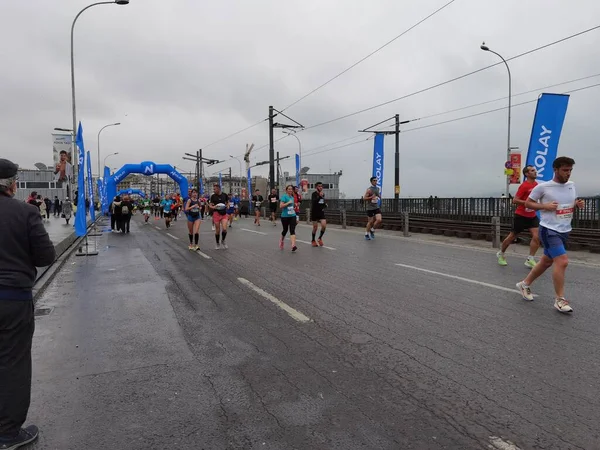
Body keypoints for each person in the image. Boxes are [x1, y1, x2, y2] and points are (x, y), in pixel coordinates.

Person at [0, 159, 55, 449]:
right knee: (13, 363)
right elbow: (46, 257)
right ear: (12, 185)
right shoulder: (25, 212)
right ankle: (8, 433)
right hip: (11, 300)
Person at [516, 157, 585, 313]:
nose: (568, 173)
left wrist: (577, 204)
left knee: (546, 262)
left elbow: (568, 204)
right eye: (565, 170)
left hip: (565, 230)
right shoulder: (543, 187)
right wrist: (544, 206)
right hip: (549, 230)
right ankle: (560, 299)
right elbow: (528, 203)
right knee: (562, 261)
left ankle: (524, 284)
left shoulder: (571, 186)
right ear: (555, 170)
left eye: (570, 170)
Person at [497, 165, 540, 268]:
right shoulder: (524, 186)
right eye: (532, 171)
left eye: (535, 170)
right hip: (521, 215)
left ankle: (530, 259)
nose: (535, 172)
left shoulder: (537, 185)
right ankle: (501, 254)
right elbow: (515, 200)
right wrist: (528, 203)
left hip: (532, 216)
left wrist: (538, 205)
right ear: (527, 174)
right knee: (512, 237)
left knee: (537, 236)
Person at [210, 184, 229, 249]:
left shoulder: (224, 195)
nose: (214, 190)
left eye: (215, 189)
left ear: (218, 189)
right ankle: (217, 243)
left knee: (224, 229)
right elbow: (210, 205)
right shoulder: (213, 196)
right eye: (213, 189)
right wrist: (214, 207)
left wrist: (228, 205)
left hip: (224, 214)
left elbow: (227, 202)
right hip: (216, 214)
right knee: (217, 230)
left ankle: (223, 240)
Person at [279, 185, 298, 252]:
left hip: (292, 215)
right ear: (286, 190)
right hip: (285, 216)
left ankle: (293, 245)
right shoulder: (284, 197)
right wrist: (288, 203)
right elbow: (281, 206)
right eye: (289, 189)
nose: (290, 190)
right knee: (285, 230)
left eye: (291, 189)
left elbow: (291, 207)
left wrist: (294, 206)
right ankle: (282, 241)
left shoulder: (292, 197)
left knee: (292, 230)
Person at [311, 182, 327, 247]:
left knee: (324, 226)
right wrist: (319, 196)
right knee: (315, 228)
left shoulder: (323, 194)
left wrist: (325, 205)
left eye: (321, 186)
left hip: (321, 212)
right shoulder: (313, 194)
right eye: (319, 186)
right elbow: (314, 203)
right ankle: (313, 240)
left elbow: (322, 202)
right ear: (316, 187)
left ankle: (320, 238)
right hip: (314, 212)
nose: (320, 187)